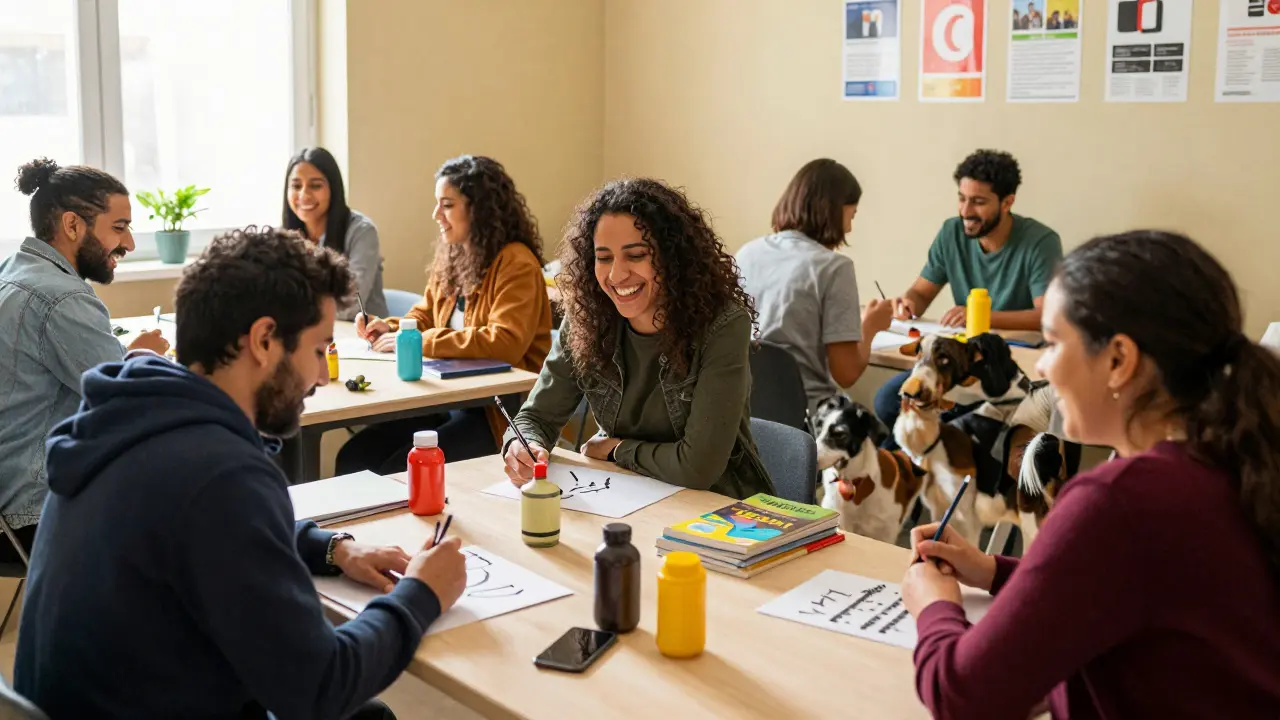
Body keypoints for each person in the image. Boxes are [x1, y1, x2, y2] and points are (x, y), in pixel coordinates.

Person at [15, 226, 468, 719]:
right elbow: (321, 687)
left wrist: (334, 548)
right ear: (264, 340)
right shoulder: (219, 475)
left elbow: (204, 534)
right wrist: (422, 594)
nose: (321, 376)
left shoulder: (128, 418)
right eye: (318, 350)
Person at [901, 231, 1280, 719]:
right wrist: (994, 570)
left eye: (1054, 343)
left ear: (1119, 360)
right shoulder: (1235, 458)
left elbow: (960, 697)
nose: (1040, 364)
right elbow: (1132, 589)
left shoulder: (1117, 501)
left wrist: (933, 605)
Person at [502, 178, 774, 500]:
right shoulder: (588, 320)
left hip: (717, 507)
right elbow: (535, 417)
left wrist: (619, 449)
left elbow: (698, 468)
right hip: (627, 495)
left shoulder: (722, 325)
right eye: (604, 258)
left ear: (674, 258)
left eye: (636, 255)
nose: (616, 275)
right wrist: (523, 445)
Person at [0, 158, 168, 559]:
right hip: (35, 513)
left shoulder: (13, 272)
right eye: (119, 227)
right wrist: (143, 358)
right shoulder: (63, 298)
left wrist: (128, 356)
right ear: (73, 225)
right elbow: (130, 404)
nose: (128, 244)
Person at [341, 155, 552, 472]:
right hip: (444, 401)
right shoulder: (454, 255)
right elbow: (424, 317)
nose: (436, 214)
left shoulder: (516, 263)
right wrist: (389, 328)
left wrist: (418, 340)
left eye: (447, 205)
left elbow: (506, 342)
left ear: (479, 209)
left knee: (400, 470)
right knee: (354, 457)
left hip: (498, 415)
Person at [876, 149, 1062, 438]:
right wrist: (909, 301)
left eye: (978, 201)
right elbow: (921, 293)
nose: (965, 211)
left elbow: (1047, 316)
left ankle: (922, 472)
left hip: (1009, 366)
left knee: (951, 419)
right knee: (889, 402)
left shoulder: (1041, 242)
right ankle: (915, 474)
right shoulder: (951, 233)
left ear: (1007, 202)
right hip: (958, 360)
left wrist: (981, 316)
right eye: (962, 198)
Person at [736, 159, 892, 419]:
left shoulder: (745, 255)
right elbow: (847, 373)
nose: (850, 228)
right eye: (851, 216)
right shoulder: (833, 267)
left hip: (747, 416)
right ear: (834, 211)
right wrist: (871, 326)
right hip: (808, 418)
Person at [284, 146, 388, 321]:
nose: (304, 195)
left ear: (333, 188)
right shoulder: (284, 236)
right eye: (296, 186)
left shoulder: (362, 232)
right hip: (311, 338)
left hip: (363, 339)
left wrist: (293, 308)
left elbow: (351, 305)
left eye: (315, 186)